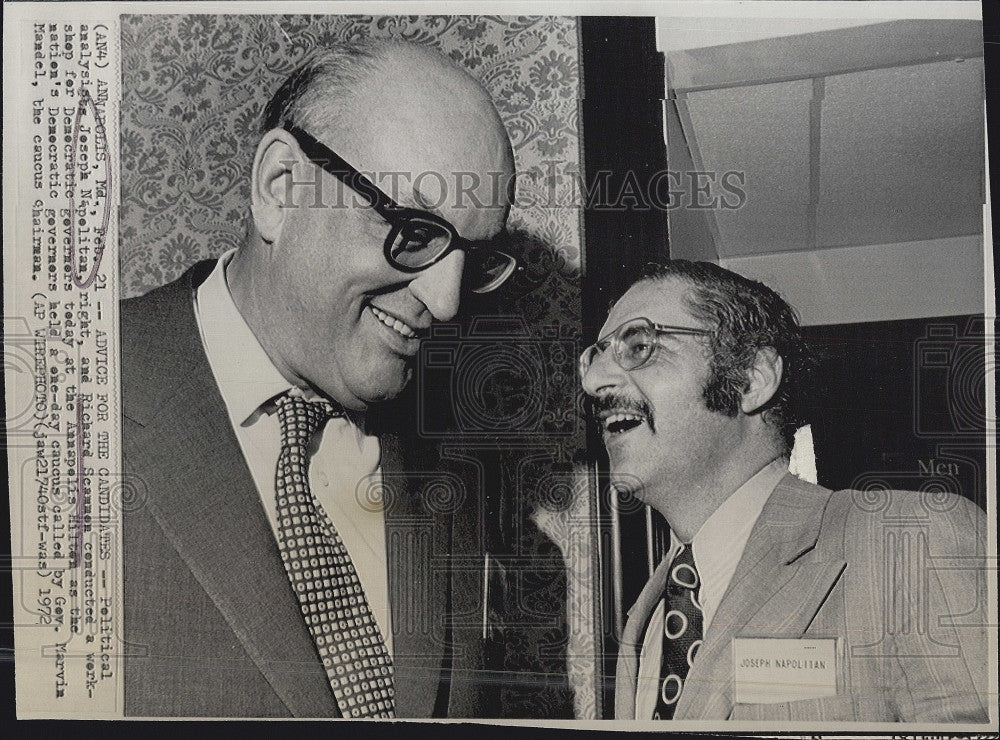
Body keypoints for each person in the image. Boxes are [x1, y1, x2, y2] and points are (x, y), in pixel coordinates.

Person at [120, 40, 537, 718]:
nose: (448, 300)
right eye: (413, 230)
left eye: (474, 256)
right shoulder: (62, 396)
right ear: (280, 187)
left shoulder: (450, 462)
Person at [580, 260, 990, 722]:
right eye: (594, 357)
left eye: (639, 345)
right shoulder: (647, 620)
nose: (594, 383)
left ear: (751, 380)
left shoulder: (913, 540)